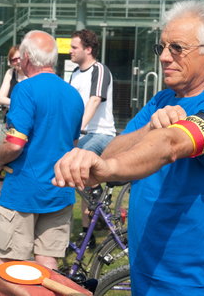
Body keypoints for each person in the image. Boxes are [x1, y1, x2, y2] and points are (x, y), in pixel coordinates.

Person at [54, 1, 204, 295]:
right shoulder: (162, 100)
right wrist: (147, 129)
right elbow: (111, 153)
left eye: (177, 48)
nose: (165, 58)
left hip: (199, 284)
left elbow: (171, 144)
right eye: (162, 48)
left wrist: (108, 168)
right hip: (148, 274)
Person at [0, 30, 83, 296]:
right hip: (59, 190)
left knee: (6, 267)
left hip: (23, 190)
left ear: (27, 57)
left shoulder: (25, 89)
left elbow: (14, 144)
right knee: (48, 268)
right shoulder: (73, 95)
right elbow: (73, 145)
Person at [69, 29, 116, 247]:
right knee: (77, 176)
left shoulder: (99, 70)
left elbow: (95, 100)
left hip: (101, 133)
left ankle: (100, 207)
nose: (70, 51)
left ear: (88, 49)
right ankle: (88, 232)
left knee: (74, 162)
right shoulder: (74, 74)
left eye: (74, 47)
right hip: (83, 134)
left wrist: (78, 129)